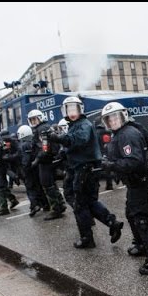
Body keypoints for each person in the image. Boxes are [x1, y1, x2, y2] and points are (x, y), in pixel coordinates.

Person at [101, 101, 148, 275]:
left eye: (115, 117)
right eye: (109, 119)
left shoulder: (127, 134)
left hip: (138, 180)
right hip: (134, 181)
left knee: (141, 219)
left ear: (122, 116)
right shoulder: (120, 133)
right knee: (132, 214)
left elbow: (133, 161)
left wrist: (111, 165)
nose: (113, 121)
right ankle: (141, 245)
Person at [48, 97, 123, 248]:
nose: (71, 112)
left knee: (80, 205)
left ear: (80, 109)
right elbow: (75, 146)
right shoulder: (75, 125)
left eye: (74, 109)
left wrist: (58, 138)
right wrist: (64, 154)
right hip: (81, 169)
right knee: (89, 202)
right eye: (68, 109)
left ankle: (87, 239)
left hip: (85, 169)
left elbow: (78, 140)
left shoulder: (84, 124)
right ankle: (112, 222)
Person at [28, 109, 66, 220]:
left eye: (35, 119)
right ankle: (60, 204)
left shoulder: (41, 130)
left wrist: (37, 160)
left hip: (45, 161)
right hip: (49, 160)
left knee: (47, 185)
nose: (33, 122)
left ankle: (56, 208)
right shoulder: (45, 127)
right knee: (51, 184)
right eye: (31, 120)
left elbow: (44, 147)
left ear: (40, 117)